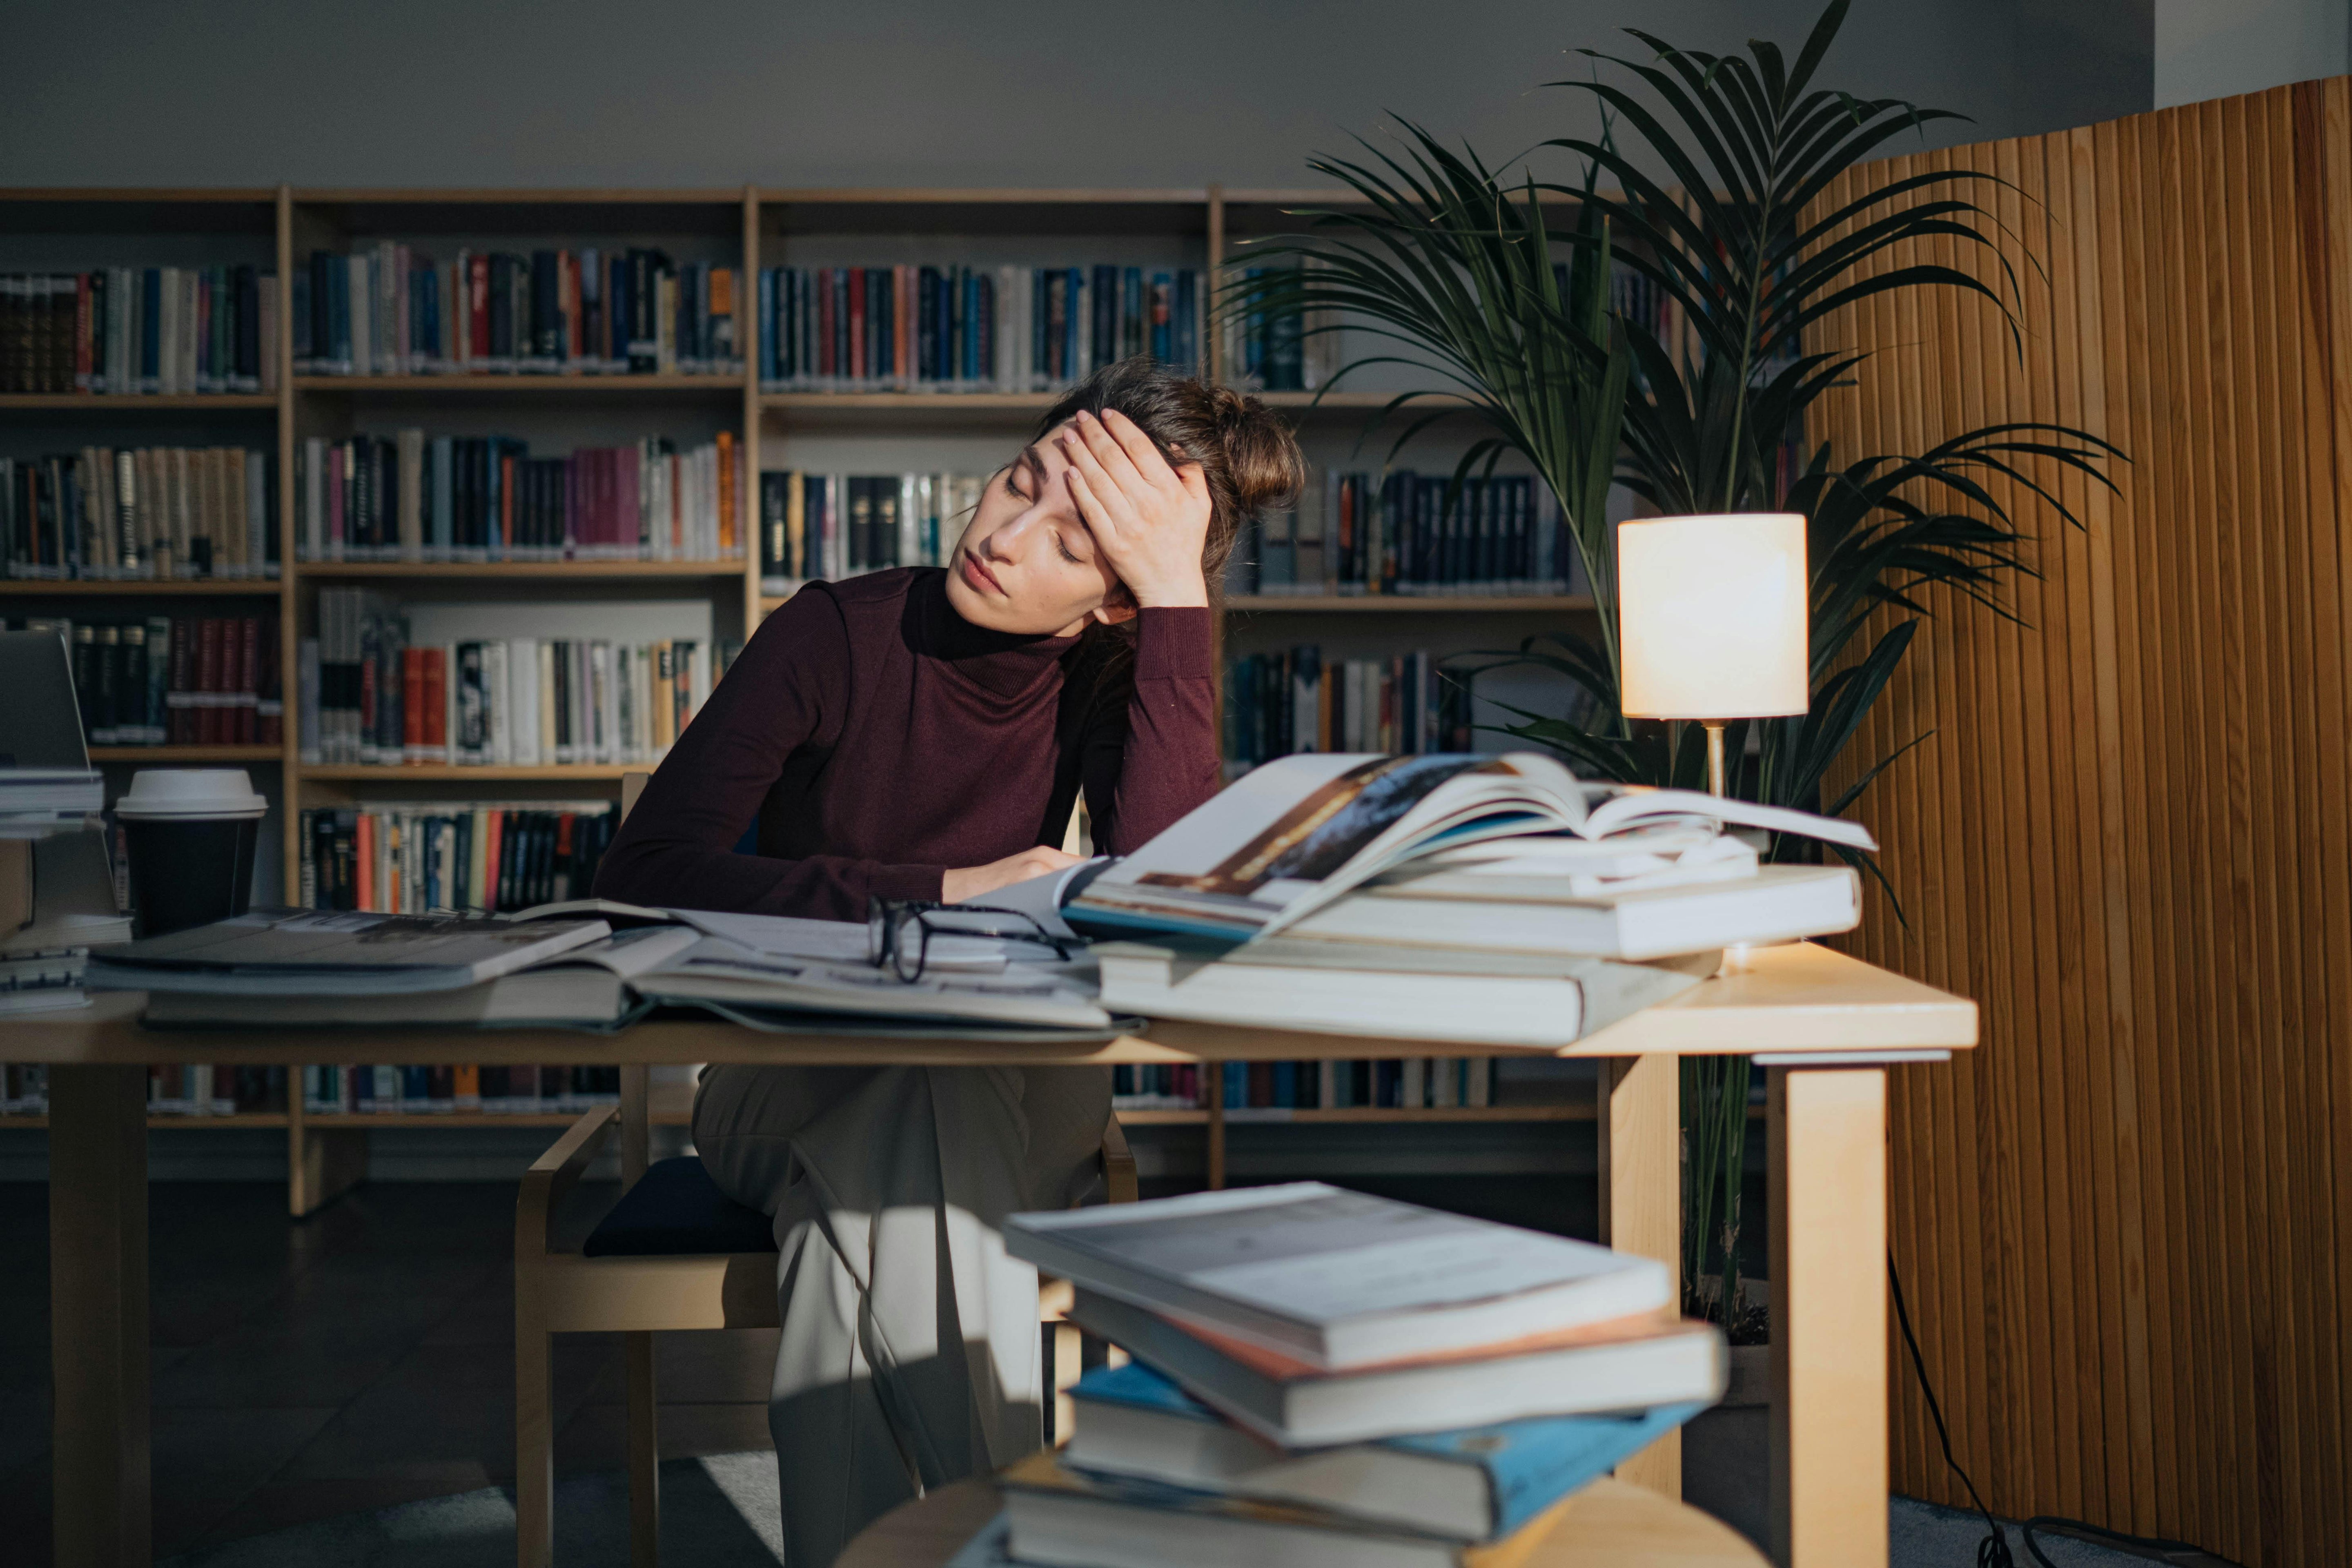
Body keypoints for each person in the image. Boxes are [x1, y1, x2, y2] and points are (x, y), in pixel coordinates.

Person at [592, 356, 1302, 1565]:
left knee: (860, 1209)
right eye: (1020, 482)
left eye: (1077, 544)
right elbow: (644, 875)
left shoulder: (1117, 670)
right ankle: (1016, 1534)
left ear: (1119, 599)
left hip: (1023, 1084)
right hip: (783, 1082)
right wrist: (939, 894)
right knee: (913, 1108)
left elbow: (1161, 907)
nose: (1007, 536)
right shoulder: (834, 633)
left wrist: (1181, 602)